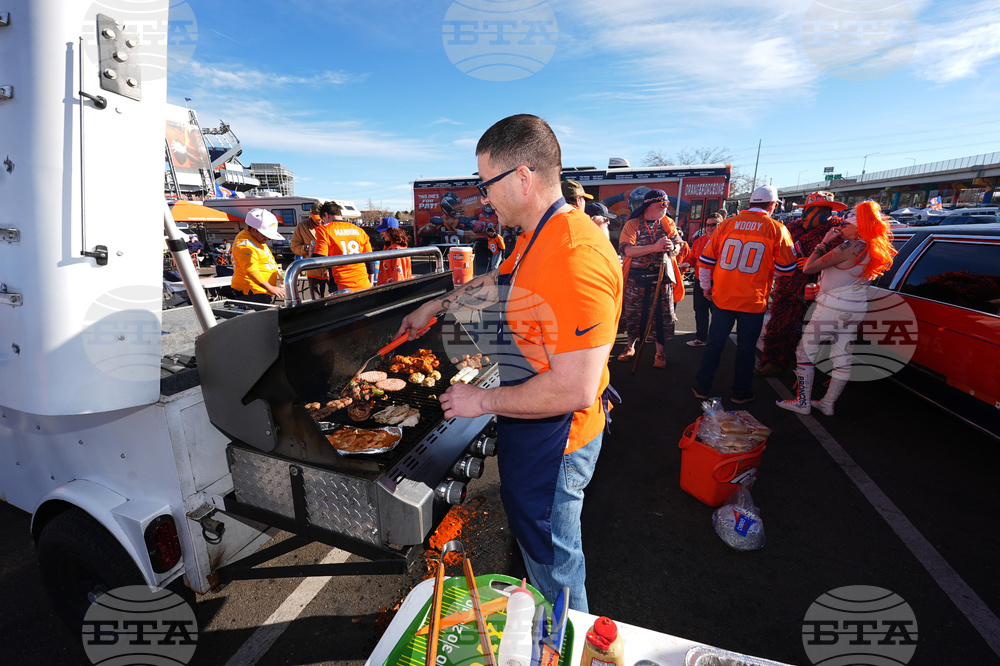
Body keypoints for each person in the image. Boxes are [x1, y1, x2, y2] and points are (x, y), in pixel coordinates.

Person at [394, 114, 622, 612]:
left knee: (555, 566)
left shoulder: (575, 255)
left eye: (487, 183)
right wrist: (438, 305)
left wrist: (480, 400)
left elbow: (574, 389)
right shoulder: (537, 234)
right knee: (537, 554)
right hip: (533, 425)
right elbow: (500, 279)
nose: (483, 196)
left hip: (558, 438)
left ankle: (565, 643)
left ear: (524, 175)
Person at [776, 201, 897, 415]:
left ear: (859, 225)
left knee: (804, 352)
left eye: (846, 224)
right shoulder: (873, 245)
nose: (841, 227)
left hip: (832, 307)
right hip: (855, 307)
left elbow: (809, 267)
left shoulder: (851, 246)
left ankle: (802, 402)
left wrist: (824, 242)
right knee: (842, 356)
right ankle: (827, 403)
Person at [693, 185, 797, 404]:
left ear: (749, 203)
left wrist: (705, 287)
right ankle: (740, 392)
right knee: (746, 349)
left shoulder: (727, 224)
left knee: (714, 344)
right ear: (773, 205)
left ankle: (701, 387)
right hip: (753, 299)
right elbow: (787, 269)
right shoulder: (777, 228)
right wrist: (766, 269)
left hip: (724, 296)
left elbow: (706, 261)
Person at [755, 191, 845, 376]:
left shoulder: (836, 234)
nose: (803, 215)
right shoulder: (793, 229)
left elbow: (844, 262)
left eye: (809, 211)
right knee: (779, 326)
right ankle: (775, 362)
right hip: (787, 289)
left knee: (813, 336)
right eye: (804, 210)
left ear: (825, 212)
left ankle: (807, 372)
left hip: (819, 293)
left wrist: (817, 263)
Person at [616, 189, 684, 368]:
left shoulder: (668, 222)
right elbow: (627, 250)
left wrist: (672, 248)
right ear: (651, 205)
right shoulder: (633, 224)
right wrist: (654, 247)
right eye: (663, 204)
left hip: (662, 279)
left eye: (667, 203)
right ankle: (629, 346)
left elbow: (678, 247)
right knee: (633, 314)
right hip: (636, 280)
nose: (666, 207)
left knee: (662, 317)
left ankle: (660, 353)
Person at [312, 200, 375, 292]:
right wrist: (371, 281)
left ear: (326, 215)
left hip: (341, 285)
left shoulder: (324, 230)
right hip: (363, 283)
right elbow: (370, 259)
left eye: (323, 219)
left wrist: (311, 251)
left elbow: (319, 259)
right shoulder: (359, 230)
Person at [231, 209, 286, 304]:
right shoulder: (246, 245)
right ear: (253, 230)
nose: (267, 238)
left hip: (258, 291)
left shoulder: (256, 238)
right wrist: (271, 288)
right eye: (265, 235)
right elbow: (251, 270)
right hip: (252, 292)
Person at [685, 212, 724, 347]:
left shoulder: (725, 242)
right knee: (700, 310)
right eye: (708, 225)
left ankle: (716, 340)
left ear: (720, 225)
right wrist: (685, 264)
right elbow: (691, 258)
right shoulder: (699, 241)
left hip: (718, 282)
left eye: (713, 224)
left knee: (717, 313)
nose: (710, 227)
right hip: (699, 281)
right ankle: (701, 338)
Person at [291, 202, 334, 300]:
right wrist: (307, 248)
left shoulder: (331, 225)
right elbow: (294, 247)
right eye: (316, 218)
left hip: (331, 268)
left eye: (320, 218)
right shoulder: (302, 226)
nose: (319, 221)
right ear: (310, 214)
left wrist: (329, 267)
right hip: (314, 270)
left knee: (336, 297)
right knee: (316, 301)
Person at [375, 216, 412, 285]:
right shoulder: (389, 246)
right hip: (385, 288)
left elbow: (399, 277)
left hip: (391, 290)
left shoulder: (397, 250)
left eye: (384, 231)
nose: (382, 233)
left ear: (391, 231)